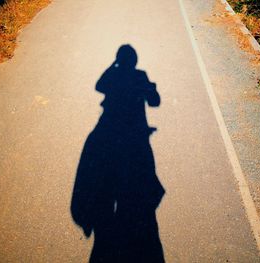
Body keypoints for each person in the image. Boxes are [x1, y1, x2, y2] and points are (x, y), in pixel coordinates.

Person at [71, 44, 165, 263]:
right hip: (135, 137)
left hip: (111, 132)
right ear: (134, 61)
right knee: (138, 179)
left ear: (118, 60)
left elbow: (98, 85)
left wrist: (113, 65)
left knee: (112, 177)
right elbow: (155, 102)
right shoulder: (140, 76)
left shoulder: (112, 75)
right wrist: (151, 88)